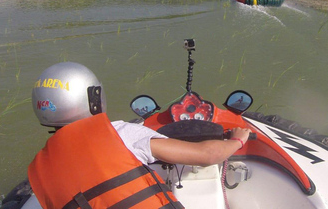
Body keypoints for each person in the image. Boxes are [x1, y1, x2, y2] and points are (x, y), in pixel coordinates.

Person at [28, 62, 252, 209]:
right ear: (94, 98)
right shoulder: (121, 134)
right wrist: (237, 139)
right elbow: (207, 155)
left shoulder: (38, 169)